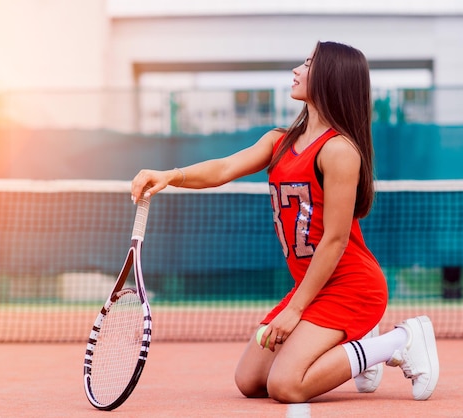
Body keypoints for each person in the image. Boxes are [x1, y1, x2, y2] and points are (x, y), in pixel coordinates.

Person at [131, 41, 439, 403]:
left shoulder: (339, 150)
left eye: (307, 63)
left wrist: (295, 311)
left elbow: (336, 240)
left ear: (330, 77)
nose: (296, 70)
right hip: (313, 285)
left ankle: (398, 342)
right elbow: (225, 169)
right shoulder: (280, 141)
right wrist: (170, 175)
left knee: (286, 385)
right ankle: (356, 342)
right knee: (249, 381)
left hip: (352, 286)